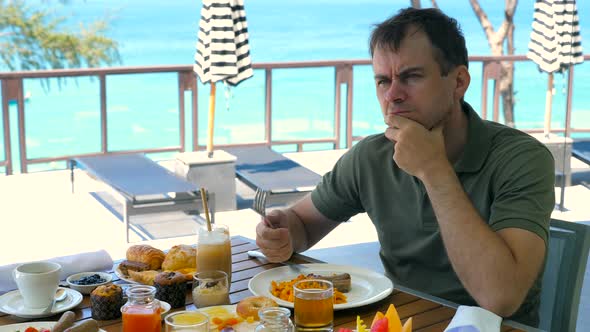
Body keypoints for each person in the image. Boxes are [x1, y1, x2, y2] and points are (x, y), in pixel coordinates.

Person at [255, 7, 554, 327]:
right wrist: (283, 231)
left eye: (411, 77)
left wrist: (434, 171)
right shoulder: (372, 156)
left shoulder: (522, 159)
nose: (393, 95)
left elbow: (500, 297)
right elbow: (302, 223)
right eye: (383, 81)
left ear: (459, 81)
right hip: (404, 321)